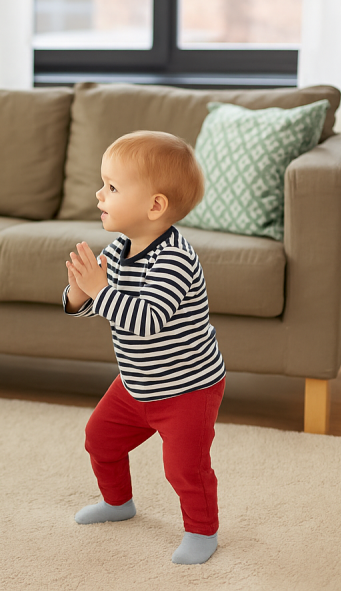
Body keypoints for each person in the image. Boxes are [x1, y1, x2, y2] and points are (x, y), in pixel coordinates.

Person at [63, 130, 226, 565]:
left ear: (155, 206)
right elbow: (107, 309)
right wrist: (80, 295)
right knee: (99, 438)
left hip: (187, 389)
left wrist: (100, 291)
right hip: (136, 383)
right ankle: (118, 504)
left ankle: (202, 531)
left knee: (184, 469)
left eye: (112, 187)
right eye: (103, 184)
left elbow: (147, 321)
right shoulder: (120, 248)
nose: (99, 194)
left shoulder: (175, 258)